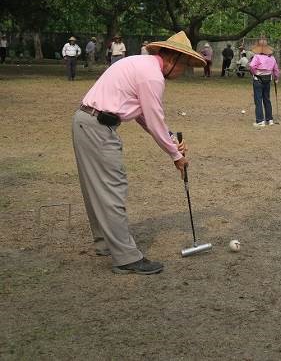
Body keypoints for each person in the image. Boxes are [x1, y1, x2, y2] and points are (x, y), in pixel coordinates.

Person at [72, 31, 204, 275]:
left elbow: (144, 116)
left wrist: (172, 142)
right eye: (184, 65)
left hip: (86, 122)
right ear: (171, 57)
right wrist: (176, 156)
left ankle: (105, 243)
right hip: (97, 127)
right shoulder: (152, 76)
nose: (183, 72)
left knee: (97, 188)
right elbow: (154, 120)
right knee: (112, 188)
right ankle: (126, 258)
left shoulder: (140, 64)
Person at [249, 39, 280, 127]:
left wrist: (254, 73)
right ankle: (270, 120)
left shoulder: (257, 57)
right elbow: (276, 70)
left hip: (258, 79)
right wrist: (276, 78)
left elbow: (251, 66)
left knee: (258, 100)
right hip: (268, 80)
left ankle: (260, 121)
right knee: (267, 99)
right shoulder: (272, 58)